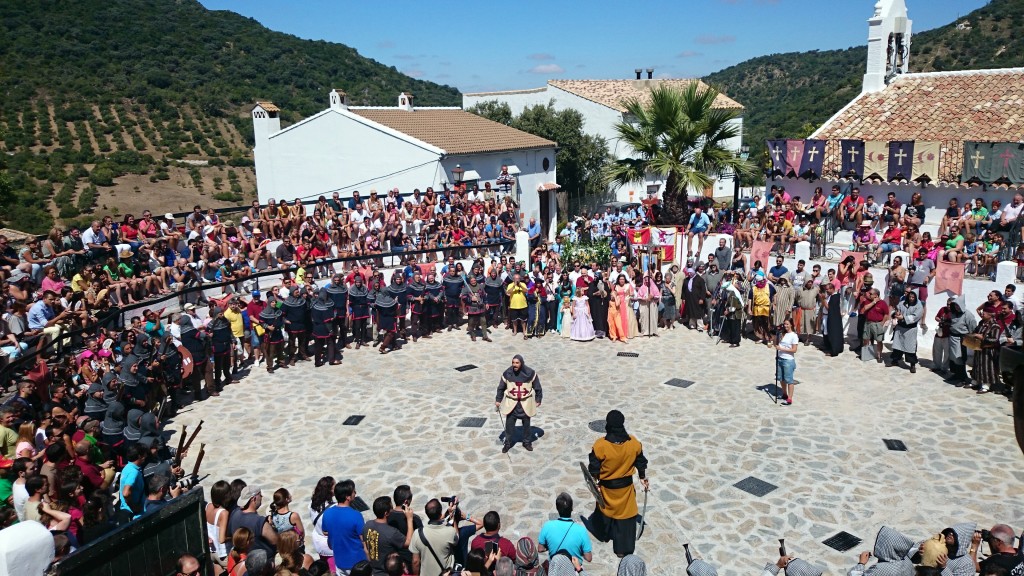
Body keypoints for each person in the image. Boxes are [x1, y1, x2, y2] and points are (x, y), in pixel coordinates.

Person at [585, 410, 648, 558]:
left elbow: (594, 467)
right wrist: (642, 477)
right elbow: (640, 461)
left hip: (607, 489)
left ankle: (604, 534)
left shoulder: (600, 446)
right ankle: (622, 549)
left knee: (605, 510)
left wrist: (595, 481)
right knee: (625, 517)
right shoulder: (634, 443)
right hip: (625, 490)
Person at [495, 355, 542, 453]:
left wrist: (538, 399)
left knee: (526, 426)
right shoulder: (507, 374)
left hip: (525, 403)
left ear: (521, 363)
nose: (514, 365)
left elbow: (537, 387)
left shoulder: (530, 373)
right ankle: (508, 443)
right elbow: (501, 388)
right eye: (513, 362)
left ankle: (527, 442)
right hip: (512, 403)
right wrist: (498, 399)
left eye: (517, 363)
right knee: (509, 426)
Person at [322, 479, 367, 574]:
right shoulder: (356, 515)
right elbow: (363, 539)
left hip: (339, 562)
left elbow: (325, 532)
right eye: (353, 491)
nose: (355, 493)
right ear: (348, 497)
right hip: (357, 563)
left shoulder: (327, 513)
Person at [363, 496, 413, 576]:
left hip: (374, 570)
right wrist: (409, 519)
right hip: (387, 572)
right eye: (391, 508)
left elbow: (365, 547)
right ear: (386, 513)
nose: (392, 510)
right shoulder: (391, 532)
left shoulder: (367, 525)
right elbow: (408, 542)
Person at [538, 493, 592, 564]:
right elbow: (588, 558)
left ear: (557, 508)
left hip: (555, 568)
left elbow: (540, 549)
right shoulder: (581, 530)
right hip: (574, 568)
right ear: (572, 508)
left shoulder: (547, 526)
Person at [409, 498, 458, 576]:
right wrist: (453, 517)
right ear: (440, 513)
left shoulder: (417, 533)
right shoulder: (450, 531)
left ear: (427, 514)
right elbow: (456, 539)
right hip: (445, 573)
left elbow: (415, 561)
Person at [889, 291, 923, 373]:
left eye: (913, 297)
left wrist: (903, 317)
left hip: (910, 330)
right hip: (900, 328)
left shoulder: (919, 306)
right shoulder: (902, 303)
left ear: (915, 297)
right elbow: (895, 310)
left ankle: (912, 365)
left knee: (910, 348)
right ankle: (895, 361)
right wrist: (895, 314)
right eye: (910, 297)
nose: (911, 298)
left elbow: (915, 317)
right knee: (897, 346)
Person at [859, 288, 890, 362]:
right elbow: (863, 310)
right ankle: (866, 353)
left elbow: (886, 314)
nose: (868, 294)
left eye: (870, 294)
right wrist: (873, 302)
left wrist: (882, 323)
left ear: (876, 295)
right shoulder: (867, 301)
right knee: (865, 338)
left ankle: (879, 355)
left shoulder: (882, 303)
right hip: (868, 323)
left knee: (879, 340)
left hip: (877, 324)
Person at [774, 318, 799, 406]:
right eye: (784, 324)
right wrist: (775, 336)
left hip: (788, 360)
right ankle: (784, 394)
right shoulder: (782, 334)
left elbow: (794, 350)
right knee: (781, 378)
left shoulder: (793, 336)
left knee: (789, 380)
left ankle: (790, 399)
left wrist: (781, 349)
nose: (785, 326)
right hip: (780, 358)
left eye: (787, 324)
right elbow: (776, 344)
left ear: (791, 325)